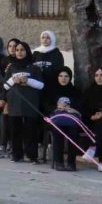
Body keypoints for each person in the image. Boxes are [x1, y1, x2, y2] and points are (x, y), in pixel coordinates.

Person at [4, 41, 44, 164]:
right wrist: (13, 80)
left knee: (30, 130)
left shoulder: (34, 68)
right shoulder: (11, 67)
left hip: (29, 104)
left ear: (27, 51)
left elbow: (41, 85)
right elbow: (5, 86)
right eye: (17, 50)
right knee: (15, 130)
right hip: (14, 104)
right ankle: (17, 155)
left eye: (22, 50)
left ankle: (32, 156)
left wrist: (28, 81)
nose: (19, 52)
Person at [32, 30, 64, 162]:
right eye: (43, 37)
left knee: (49, 116)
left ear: (52, 39)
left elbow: (58, 71)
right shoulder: (36, 53)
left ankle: (51, 145)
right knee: (37, 117)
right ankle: (39, 145)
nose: (45, 40)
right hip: (37, 91)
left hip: (50, 91)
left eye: (47, 38)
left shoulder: (57, 54)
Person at [45, 66, 82, 171]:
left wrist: (72, 108)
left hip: (71, 120)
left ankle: (71, 162)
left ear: (70, 78)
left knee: (74, 131)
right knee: (57, 129)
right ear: (57, 77)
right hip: (55, 119)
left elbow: (80, 105)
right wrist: (56, 107)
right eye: (60, 76)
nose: (63, 78)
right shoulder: (51, 91)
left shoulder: (75, 91)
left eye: (66, 76)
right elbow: (46, 105)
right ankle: (59, 161)